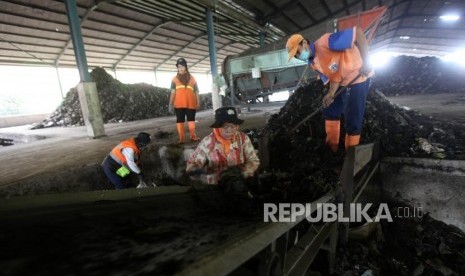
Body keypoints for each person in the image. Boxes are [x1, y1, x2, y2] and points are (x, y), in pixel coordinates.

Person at [286, 26, 372, 152]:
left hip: (358, 75)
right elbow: (334, 76)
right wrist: (331, 93)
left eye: (298, 52)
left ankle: (351, 153)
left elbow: (358, 33)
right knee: (330, 110)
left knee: (353, 116)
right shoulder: (313, 63)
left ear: (304, 43)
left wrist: (367, 61)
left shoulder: (326, 42)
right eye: (295, 56)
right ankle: (332, 149)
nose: (299, 56)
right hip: (341, 81)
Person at [186, 106, 260, 186]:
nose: (230, 130)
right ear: (218, 127)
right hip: (216, 187)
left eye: (233, 126)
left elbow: (253, 160)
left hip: (240, 184)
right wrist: (210, 178)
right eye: (225, 126)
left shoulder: (243, 139)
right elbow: (193, 166)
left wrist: (244, 173)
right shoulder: (207, 143)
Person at [169, 58, 201, 144]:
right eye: (179, 66)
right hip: (178, 104)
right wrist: (170, 103)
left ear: (186, 67)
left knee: (191, 120)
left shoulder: (192, 78)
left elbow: (197, 91)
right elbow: (172, 92)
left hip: (191, 103)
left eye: (182, 66)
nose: (181, 68)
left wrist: (198, 102)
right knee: (180, 121)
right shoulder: (174, 79)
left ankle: (193, 136)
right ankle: (182, 138)